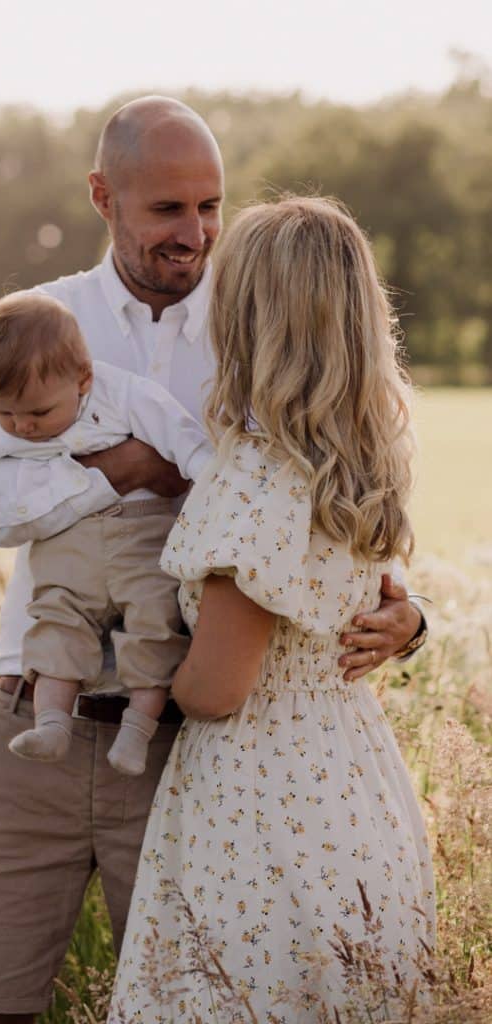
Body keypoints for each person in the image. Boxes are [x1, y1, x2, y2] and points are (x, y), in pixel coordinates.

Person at [0, 98, 426, 1022]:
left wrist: (410, 615)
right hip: (36, 720)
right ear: (102, 196)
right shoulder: (38, 323)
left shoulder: (264, 330)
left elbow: (330, 512)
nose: (194, 233)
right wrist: (111, 477)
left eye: (210, 207)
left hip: (185, 752)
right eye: (167, 209)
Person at [107, 196, 435, 1024]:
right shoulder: (359, 466)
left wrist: (161, 681)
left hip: (261, 805)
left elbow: (218, 688)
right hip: (355, 788)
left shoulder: (255, 477)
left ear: (250, 319)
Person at [0, 290, 212, 775]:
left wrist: (211, 482)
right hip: (68, 543)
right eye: (7, 415)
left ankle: (137, 733)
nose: (22, 427)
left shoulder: (124, 395)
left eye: (38, 414)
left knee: (153, 623)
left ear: (84, 379)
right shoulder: (8, 417)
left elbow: (180, 435)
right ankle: (52, 725)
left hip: (140, 536)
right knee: (56, 622)